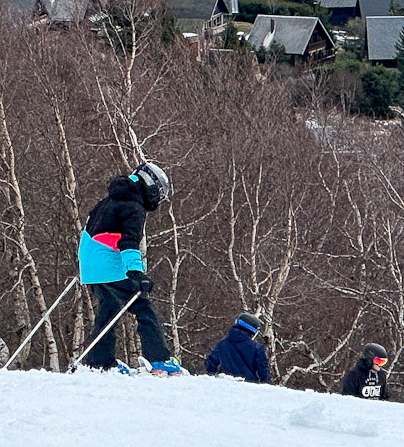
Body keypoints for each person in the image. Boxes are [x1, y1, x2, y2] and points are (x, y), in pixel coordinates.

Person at [78, 160, 181, 375]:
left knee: (108, 313)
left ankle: (100, 362)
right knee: (144, 309)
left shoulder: (108, 201)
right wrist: (135, 272)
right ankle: (159, 360)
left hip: (90, 268)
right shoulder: (133, 206)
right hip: (111, 266)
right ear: (151, 188)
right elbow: (129, 241)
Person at [203, 312, 271, 382]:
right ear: (252, 331)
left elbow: (210, 365)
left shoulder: (221, 344)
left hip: (225, 385)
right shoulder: (256, 348)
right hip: (249, 387)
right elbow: (263, 372)